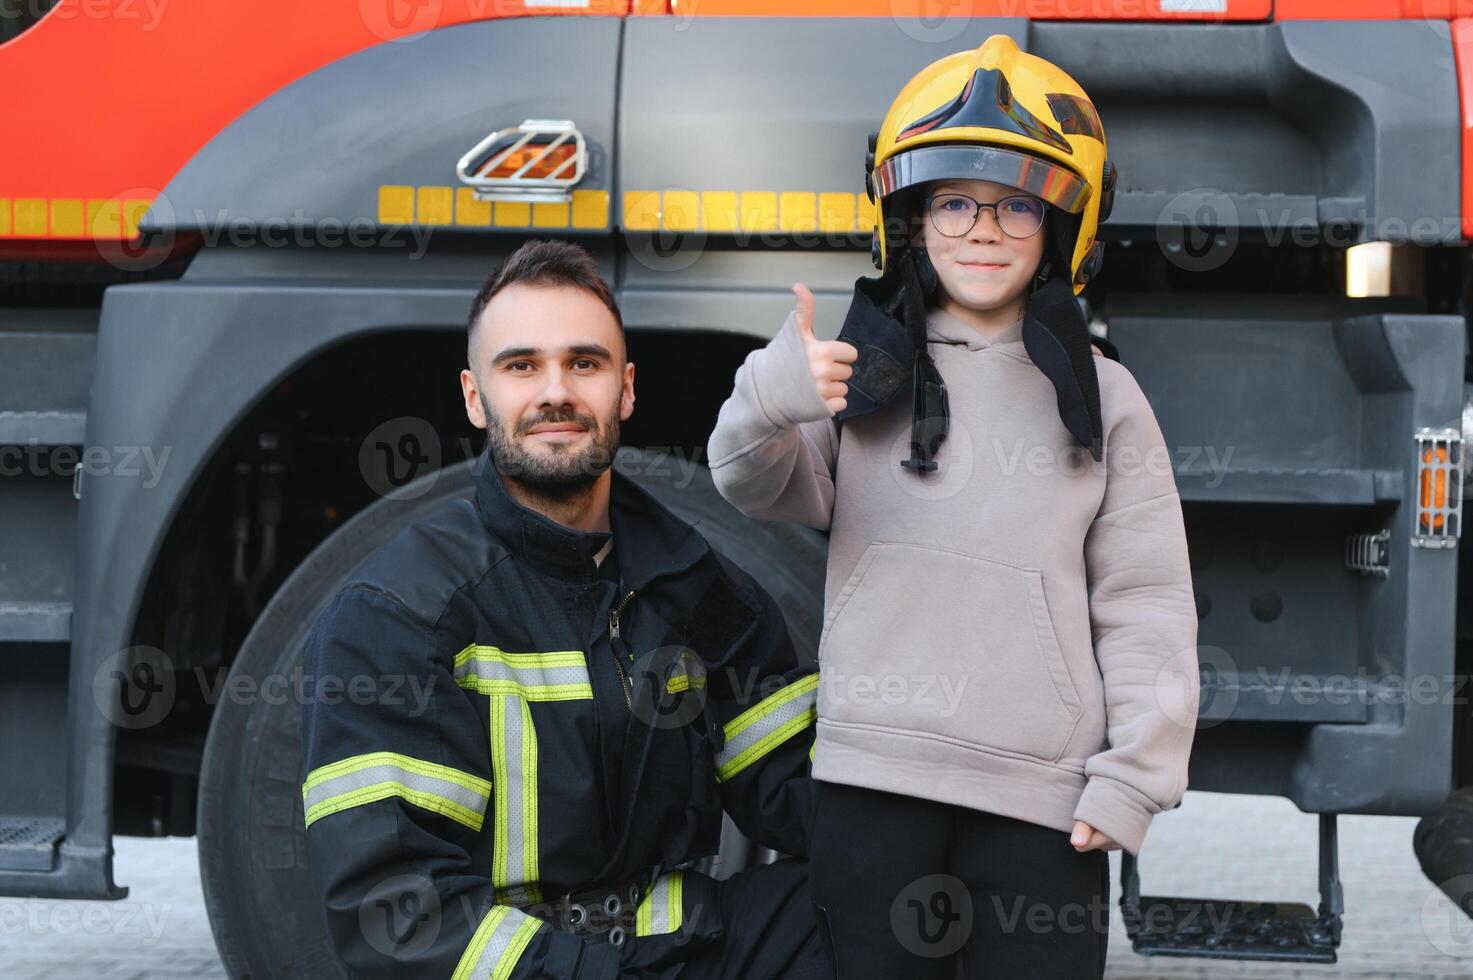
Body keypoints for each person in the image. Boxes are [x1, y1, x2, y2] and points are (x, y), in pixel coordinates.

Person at [706, 35, 1200, 979]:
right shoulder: (855, 370)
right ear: (909, 216)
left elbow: (1144, 601)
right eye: (955, 201)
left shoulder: (1107, 397)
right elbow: (748, 480)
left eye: (1017, 204)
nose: (983, 228)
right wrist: (773, 393)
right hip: (867, 786)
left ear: (1066, 225)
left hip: (1041, 803)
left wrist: (1134, 775)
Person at [300, 239, 833, 980]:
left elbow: (800, 790)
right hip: (527, 973)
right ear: (472, 395)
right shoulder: (399, 614)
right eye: (521, 366)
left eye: (584, 363)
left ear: (626, 389)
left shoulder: (691, 583)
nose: (555, 391)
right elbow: (400, 917)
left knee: (871, 908)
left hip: (676, 947)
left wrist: (969, 829)